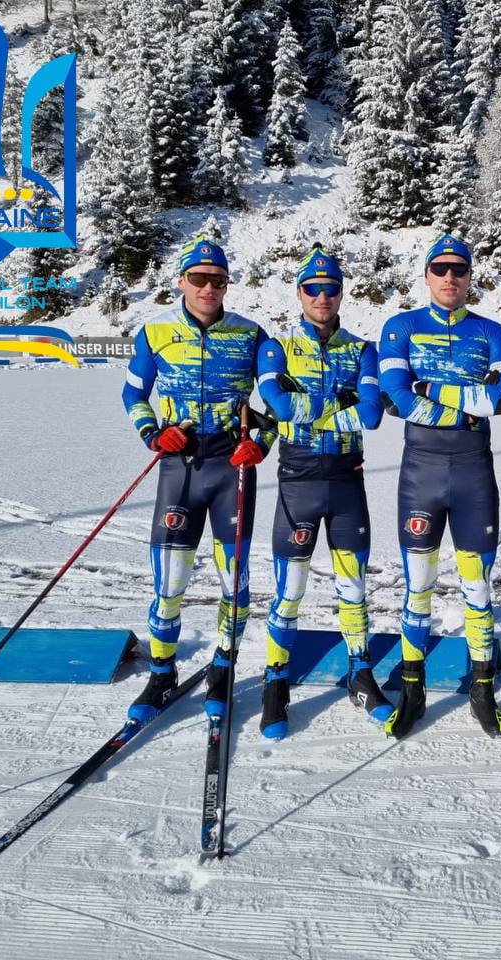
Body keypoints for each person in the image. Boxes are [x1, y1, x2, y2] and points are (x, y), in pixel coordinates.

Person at [122, 237, 274, 724]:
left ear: (227, 285)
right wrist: (153, 433)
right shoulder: (155, 331)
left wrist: (262, 442)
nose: (209, 287)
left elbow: (279, 401)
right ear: (181, 281)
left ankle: (223, 669)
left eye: (218, 280)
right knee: (169, 583)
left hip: (232, 466)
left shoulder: (251, 335)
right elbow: (133, 394)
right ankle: (162, 673)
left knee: (235, 582)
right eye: (199, 278)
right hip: (180, 465)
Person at [377, 235, 501, 739]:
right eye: (440, 268)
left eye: (459, 268)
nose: (450, 276)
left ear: (470, 275)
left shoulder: (494, 332)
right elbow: (396, 396)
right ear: (427, 275)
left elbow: (500, 400)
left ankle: (483, 688)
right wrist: (464, 407)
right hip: (422, 472)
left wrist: (432, 389)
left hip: (474, 474)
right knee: (418, 586)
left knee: (477, 587)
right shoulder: (401, 328)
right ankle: (411, 689)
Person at [254, 246, 389, 739]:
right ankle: (275, 682)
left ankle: (360, 674)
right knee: (289, 591)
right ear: (299, 293)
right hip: (299, 481)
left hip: (347, 481)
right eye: (313, 288)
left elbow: (370, 415)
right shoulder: (277, 347)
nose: (322, 296)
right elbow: (278, 405)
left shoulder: (362, 350)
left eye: (331, 288)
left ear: (341, 293)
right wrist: (339, 402)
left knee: (353, 588)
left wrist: (308, 404)